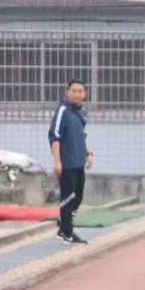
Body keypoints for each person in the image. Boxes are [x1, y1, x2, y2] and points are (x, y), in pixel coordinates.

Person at [49, 79, 93, 244]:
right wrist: (57, 161)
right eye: (73, 90)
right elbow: (54, 136)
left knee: (78, 197)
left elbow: (82, 134)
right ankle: (67, 231)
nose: (77, 94)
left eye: (80, 91)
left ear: (84, 94)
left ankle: (65, 226)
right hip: (66, 163)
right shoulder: (62, 110)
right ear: (68, 92)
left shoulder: (81, 112)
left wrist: (89, 153)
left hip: (79, 161)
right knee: (68, 197)